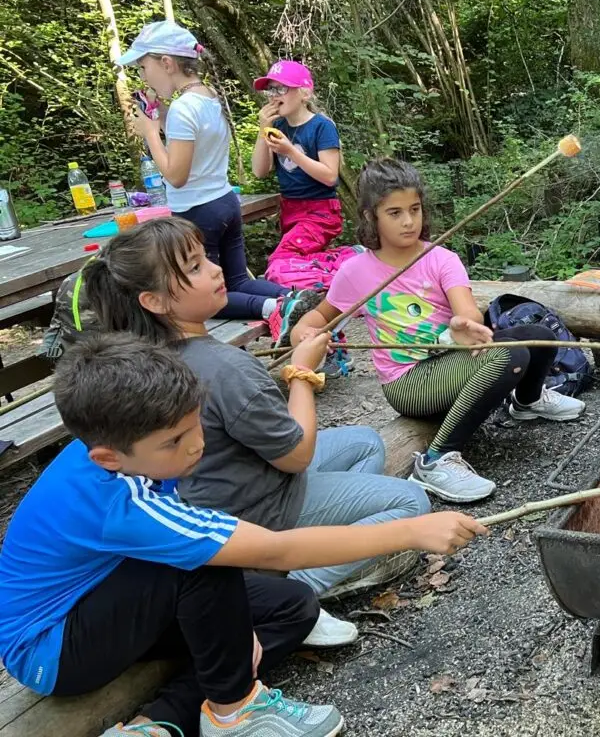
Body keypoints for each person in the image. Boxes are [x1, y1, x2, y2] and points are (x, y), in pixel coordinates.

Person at [0, 333, 486, 737]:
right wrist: (411, 531)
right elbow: (275, 549)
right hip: (52, 646)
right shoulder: (117, 499)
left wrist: (234, 627)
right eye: (174, 441)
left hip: (115, 598)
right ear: (109, 457)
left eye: (195, 427)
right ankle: (234, 711)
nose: (194, 447)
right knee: (207, 563)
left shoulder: (132, 451)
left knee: (292, 606)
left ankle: (160, 722)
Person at [83, 218, 430, 645]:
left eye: (205, 258)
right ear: (153, 300)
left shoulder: (148, 356)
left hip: (224, 488)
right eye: (193, 267)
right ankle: (294, 585)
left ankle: (328, 537)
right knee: (411, 501)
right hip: (255, 512)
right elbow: (298, 455)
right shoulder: (226, 368)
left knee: (365, 443)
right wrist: (302, 373)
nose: (213, 269)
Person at [291, 159, 586, 504]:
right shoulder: (355, 272)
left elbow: (467, 314)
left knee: (540, 335)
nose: (409, 221)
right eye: (395, 213)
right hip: (409, 383)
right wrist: (304, 335)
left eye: (414, 209)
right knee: (512, 354)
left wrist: (464, 325)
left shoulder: (440, 258)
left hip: (454, 360)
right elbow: (315, 320)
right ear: (372, 217)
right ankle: (435, 462)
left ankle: (527, 401)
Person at [119, 21, 317, 341]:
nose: (143, 76)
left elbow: (176, 176)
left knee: (203, 299)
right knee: (237, 280)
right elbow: (196, 147)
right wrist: (160, 119)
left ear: (167, 63)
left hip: (197, 212)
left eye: (144, 67)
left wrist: (151, 134)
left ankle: (274, 307)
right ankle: (294, 297)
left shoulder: (184, 108)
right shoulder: (209, 97)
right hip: (224, 201)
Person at [251, 60, 346, 266]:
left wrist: (290, 151)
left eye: (282, 88)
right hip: (290, 210)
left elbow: (330, 177)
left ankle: (344, 260)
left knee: (281, 261)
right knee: (299, 263)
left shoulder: (322, 126)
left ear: (305, 93)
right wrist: (262, 129)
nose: (275, 95)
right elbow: (259, 171)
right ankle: (329, 274)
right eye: (271, 90)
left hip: (320, 212)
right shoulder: (277, 126)